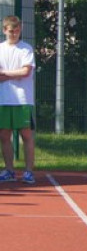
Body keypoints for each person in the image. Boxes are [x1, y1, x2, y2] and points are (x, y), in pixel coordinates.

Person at [0, 15, 36, 185]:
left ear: (20, 30)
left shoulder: (26, 49)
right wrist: (15, 73)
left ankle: (28, 172)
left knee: (26, 135)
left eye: (16, 30)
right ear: (4, 30)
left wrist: (6, 73)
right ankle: (9, 170)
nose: (13, 33)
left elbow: (25, 72)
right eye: (10, 31)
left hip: (23, 99)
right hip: (3, 100)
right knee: (4, 136)